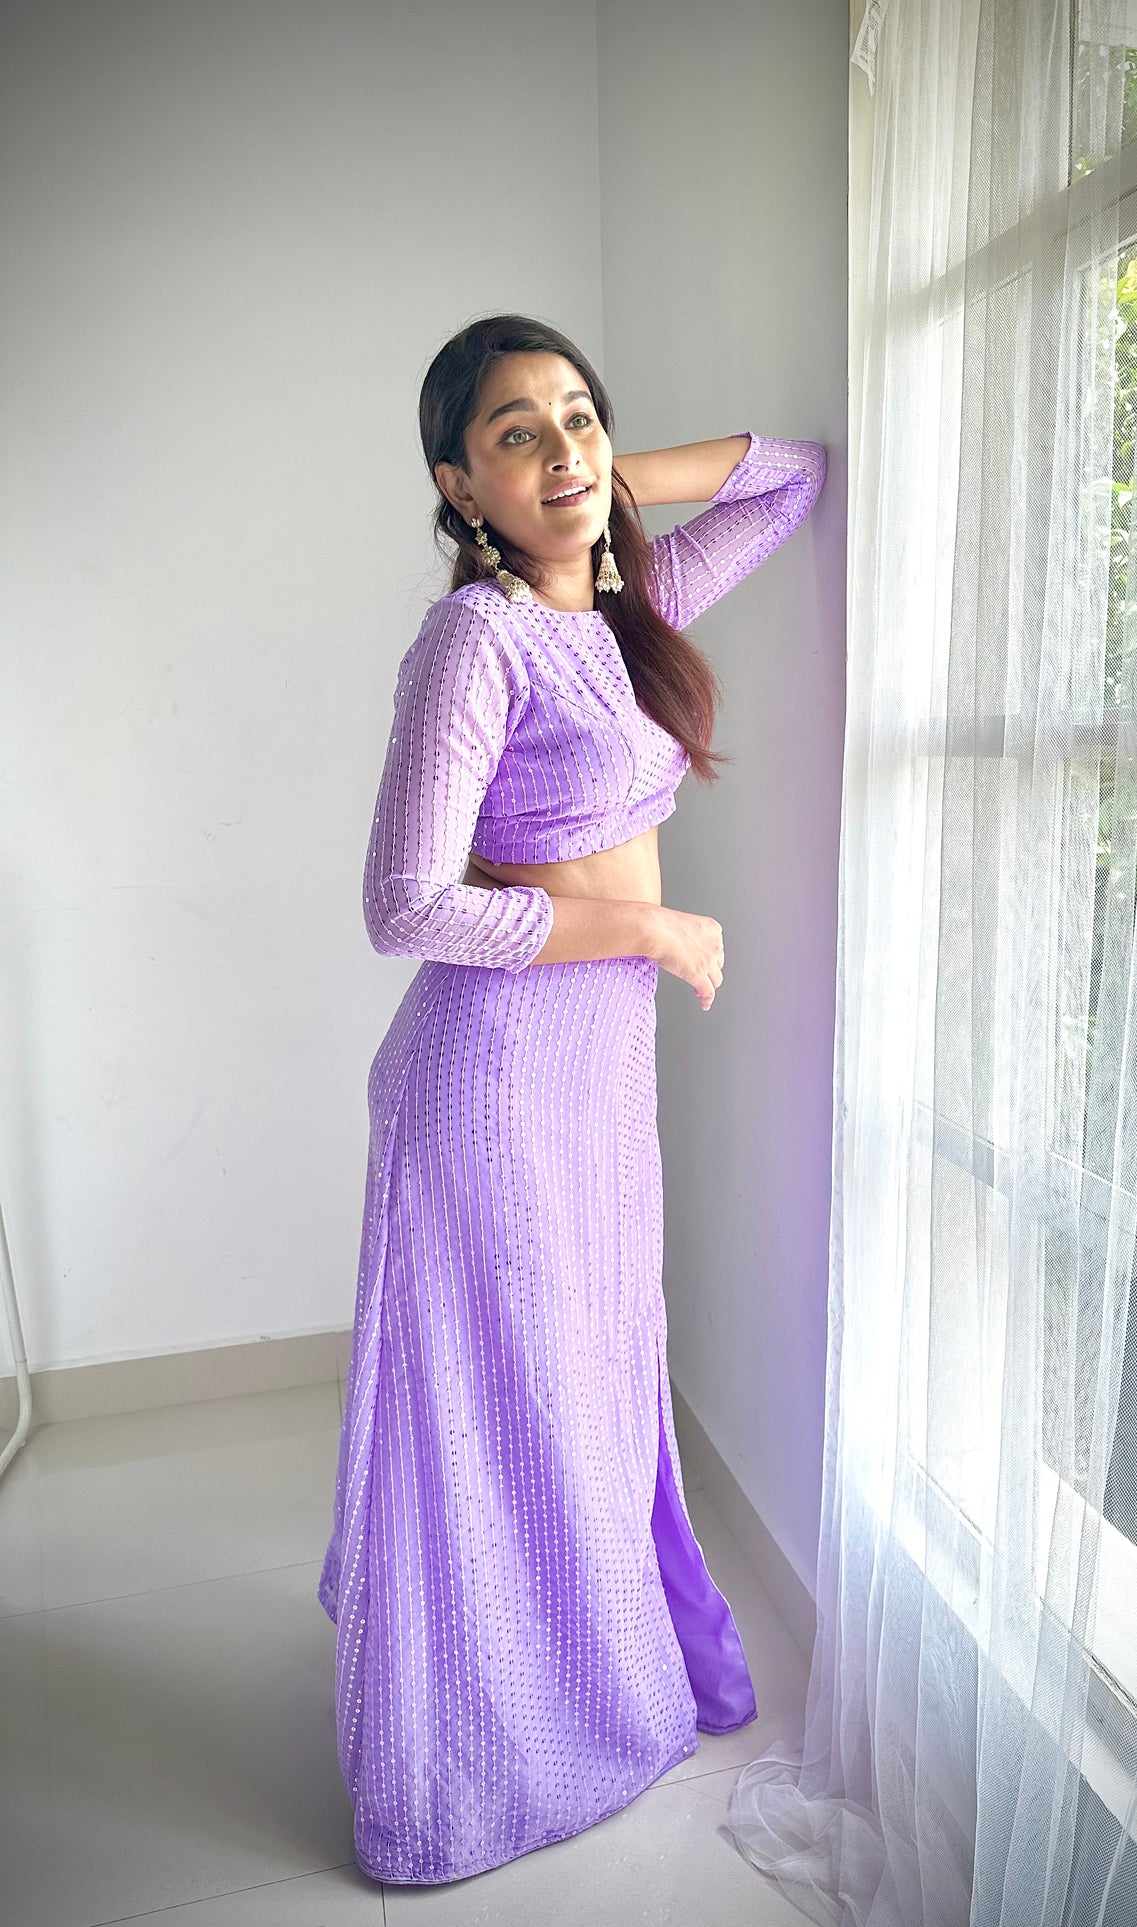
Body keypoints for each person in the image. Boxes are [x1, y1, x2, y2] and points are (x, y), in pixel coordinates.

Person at [316, 311, 827, 1886]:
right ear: (452, 483)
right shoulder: (475, 641)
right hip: (491, 1078)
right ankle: (482, 1754)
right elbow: (404, 904)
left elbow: (792, 481)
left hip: (595, 1071)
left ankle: (595, 1678)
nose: (559, 450)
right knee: (512, 1404)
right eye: (512, 434)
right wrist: (647, 928)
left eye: (577, 417)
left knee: (595, 1378)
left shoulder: (626, 608)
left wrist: (598, 482)